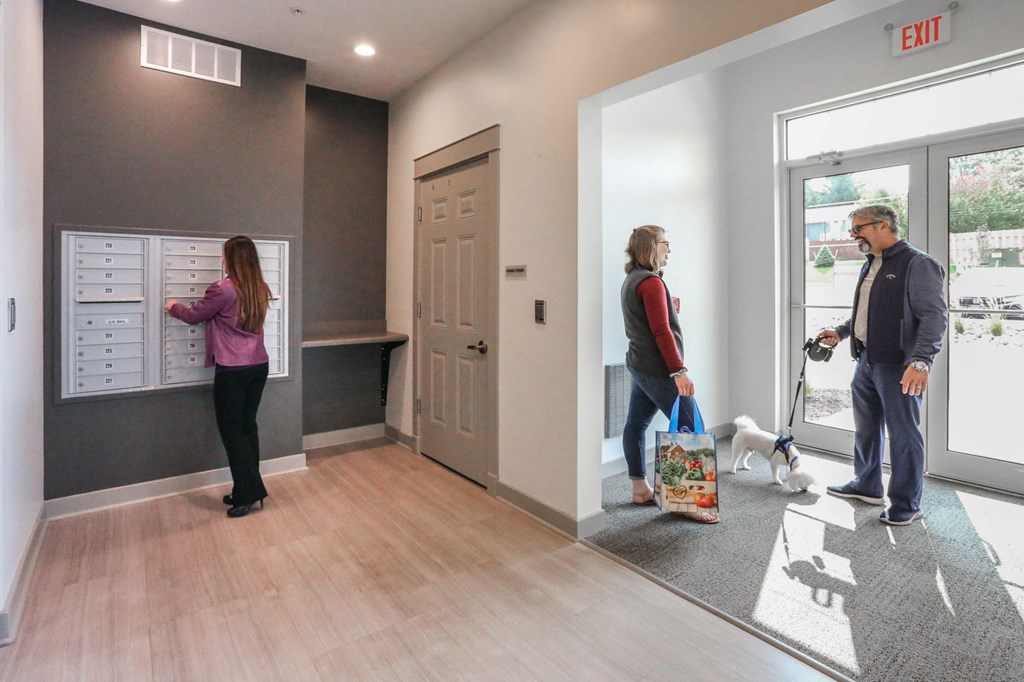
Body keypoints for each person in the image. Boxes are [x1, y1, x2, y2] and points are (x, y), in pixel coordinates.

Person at [817, 205, 946, 526]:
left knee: (903, 434)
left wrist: (922, 360)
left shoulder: (918, 264)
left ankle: (907, 503)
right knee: (866, 427)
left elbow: (934, 316)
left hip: (898, 365)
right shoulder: (871, 262)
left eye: (858, 227)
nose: (853, 234)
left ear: (883, 225)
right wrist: (842, 332)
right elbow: (867, 311)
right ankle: (867, 484)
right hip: (866, 361)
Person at [166, 236, 273, 518]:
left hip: (233, 369)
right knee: (247, 428)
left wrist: (173, 306)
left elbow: (193, 316)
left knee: (232, 432)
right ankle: (245, 490)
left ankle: (249, 493)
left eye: (225, 255)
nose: (222, 259)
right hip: (258, 365)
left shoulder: (223, 289)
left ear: (231, 259)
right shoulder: (259, 287)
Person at [620, 225, 718, 524]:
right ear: (650, 246)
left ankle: (640, 490)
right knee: (688, 430)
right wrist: (679, 371)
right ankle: (687, 502)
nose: (669, 250)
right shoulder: (650, 283)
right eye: (665, 244)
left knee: (636, 425)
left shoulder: (632, 280)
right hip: (659, 370)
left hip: (639, 364)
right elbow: (661, 330)